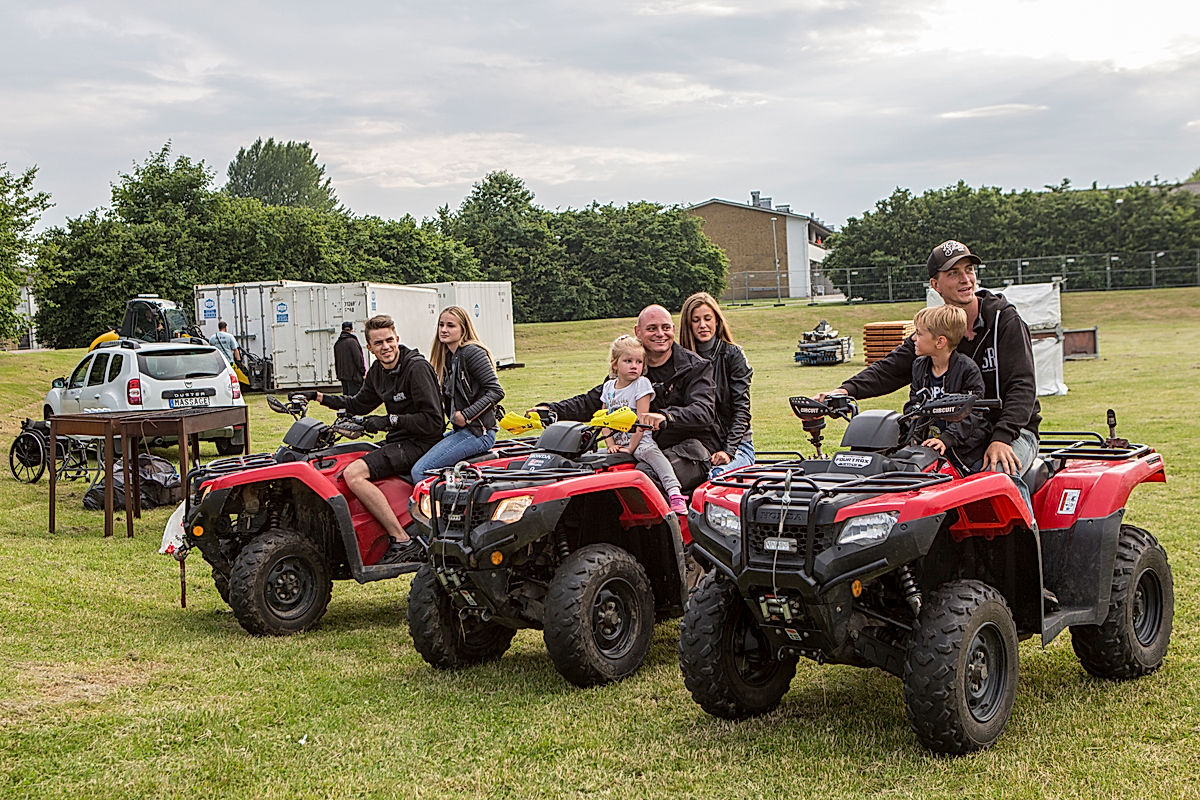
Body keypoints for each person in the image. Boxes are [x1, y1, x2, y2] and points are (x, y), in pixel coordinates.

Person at [821, 240, 1041, 505]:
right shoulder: (937, 330)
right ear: (935, 285)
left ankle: (1024, 544)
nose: (965, 279)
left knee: (995, 479)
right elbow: (890, 368)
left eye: (969, 270)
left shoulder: (1004, 321)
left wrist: (1002, 438)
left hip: (1009, 431)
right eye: (953, 273)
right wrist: (845, 390)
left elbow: (1022, 387)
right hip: (952, 434)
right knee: (892, 471)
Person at [535, 304, 719, 493]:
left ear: (673, 330)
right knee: (590, 472)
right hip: (637, 445)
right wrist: (551, 410)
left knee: (643, 478)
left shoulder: (695, 367)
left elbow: (703, 412)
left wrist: (666, 417)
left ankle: (669, 519)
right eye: (652, 328)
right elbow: (593, 402)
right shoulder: (629, 367)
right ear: (637, 332)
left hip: (691, 448)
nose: (660, 334)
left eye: (665, 328)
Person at [313, 314, 444, 563]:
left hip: (422, 443)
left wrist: (389, 420)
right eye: (379, 343)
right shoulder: (378, 371)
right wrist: (319, 397)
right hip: (398, 440)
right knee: (347, 459)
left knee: (354, 474)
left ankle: (401, 539)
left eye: (389, 340)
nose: (386, 347)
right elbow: (359, 404)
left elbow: (433, 422)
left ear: (397, 339)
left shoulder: (416, 368)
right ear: (369, 348)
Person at [409, 306, 505, 484]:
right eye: (441, 325)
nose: (444, 330)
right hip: (460, 431)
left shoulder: (472, 352)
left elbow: (496, 391)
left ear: (463, 329)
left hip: (478, 433)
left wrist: (466, 415)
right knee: (412, 453)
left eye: (451, 325)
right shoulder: (449, 356)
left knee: (421, 471)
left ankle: (431, 511)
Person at [599, 335, 689, 514]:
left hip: (640, 442)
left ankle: (674, 492)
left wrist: (631, 448)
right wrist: (610, 444)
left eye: (639, 362)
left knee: (652, 455)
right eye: (628, 361)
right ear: (615, 364)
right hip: (618, 443)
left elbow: (642, 421)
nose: (634, 365)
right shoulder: (608, 387)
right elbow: (603, 419)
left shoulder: (641, 384)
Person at [679, 292, 754, 478]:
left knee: (716, 477)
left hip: (736, 446)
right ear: (688, 325)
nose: (702, 325)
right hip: (698, 446)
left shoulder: (733, 355)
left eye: (707, 318)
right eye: (695, 320)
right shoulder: (681, 359)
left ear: (717, 321)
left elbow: (742, 409)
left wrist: (728, 451)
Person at [906, 304, 989, 472]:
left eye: (919, 334)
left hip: (964, 451)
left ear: (940, 342)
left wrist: (947, 439)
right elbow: (914, 405)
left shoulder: (967, 369)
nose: (913, 338)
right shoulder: (919, 366)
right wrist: (911, 433)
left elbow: (974, 414)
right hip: (930, 446)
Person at [334, 321, 366, 396]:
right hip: (354, 377)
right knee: (355, 400)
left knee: (347, 399)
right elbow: (358, 359)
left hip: (343, 376)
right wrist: (363, 372)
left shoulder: (337, 343)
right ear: (352, 330)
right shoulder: (353, 342)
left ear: (342, 330)